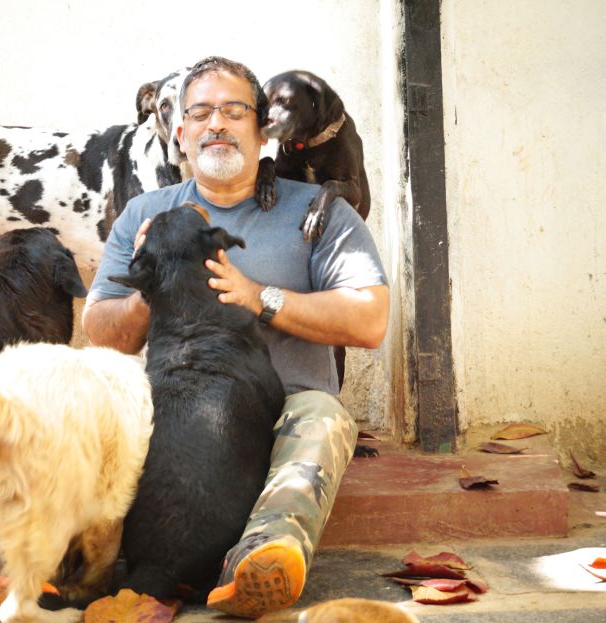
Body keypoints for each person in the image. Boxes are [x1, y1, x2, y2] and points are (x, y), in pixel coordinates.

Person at [83, 55, 389, 618]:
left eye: (233, 111)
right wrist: (159, 277)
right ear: (180, 134)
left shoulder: (319, 210)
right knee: (83, 405)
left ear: (262, 128)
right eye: (199, 112)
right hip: (171, 408)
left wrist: (259, 298)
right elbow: (102, 335)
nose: (216, 123)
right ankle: (50, 561)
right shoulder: (144, 215)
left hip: (283, 413)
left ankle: (256, 564)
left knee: (324, 418)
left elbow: (369, 320)